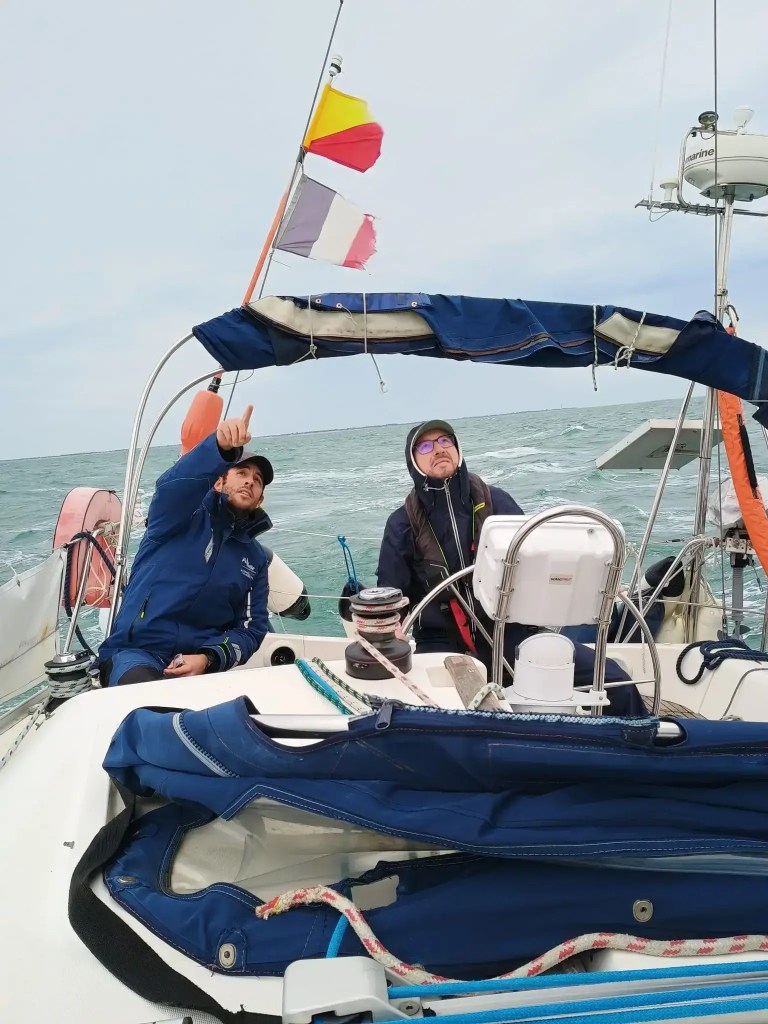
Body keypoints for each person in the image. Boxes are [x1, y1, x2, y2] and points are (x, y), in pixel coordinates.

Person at [376, 419, 645, 716]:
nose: (438, 449)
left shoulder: (497, 501)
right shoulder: (402, 524)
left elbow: (538, 565)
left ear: (457, 449)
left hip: (513, 632)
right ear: (413, 461)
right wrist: (391, 629)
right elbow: (392, 594)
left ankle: (643, 749)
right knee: (426, 713)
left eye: (445, 441)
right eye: (425, 446)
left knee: (615, 681)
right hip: (441, 643)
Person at [98, 405, 274, 686]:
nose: (250, 481)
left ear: (259, 500)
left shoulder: (255, 560)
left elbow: (252, 629)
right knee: (151, 700)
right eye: (242, 472)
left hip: (200, 666)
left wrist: (209, 658)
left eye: (258, 480)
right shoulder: (178, 516)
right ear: (219, 482)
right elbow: (172, 487)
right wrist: (220, 448)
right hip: (136, 654)